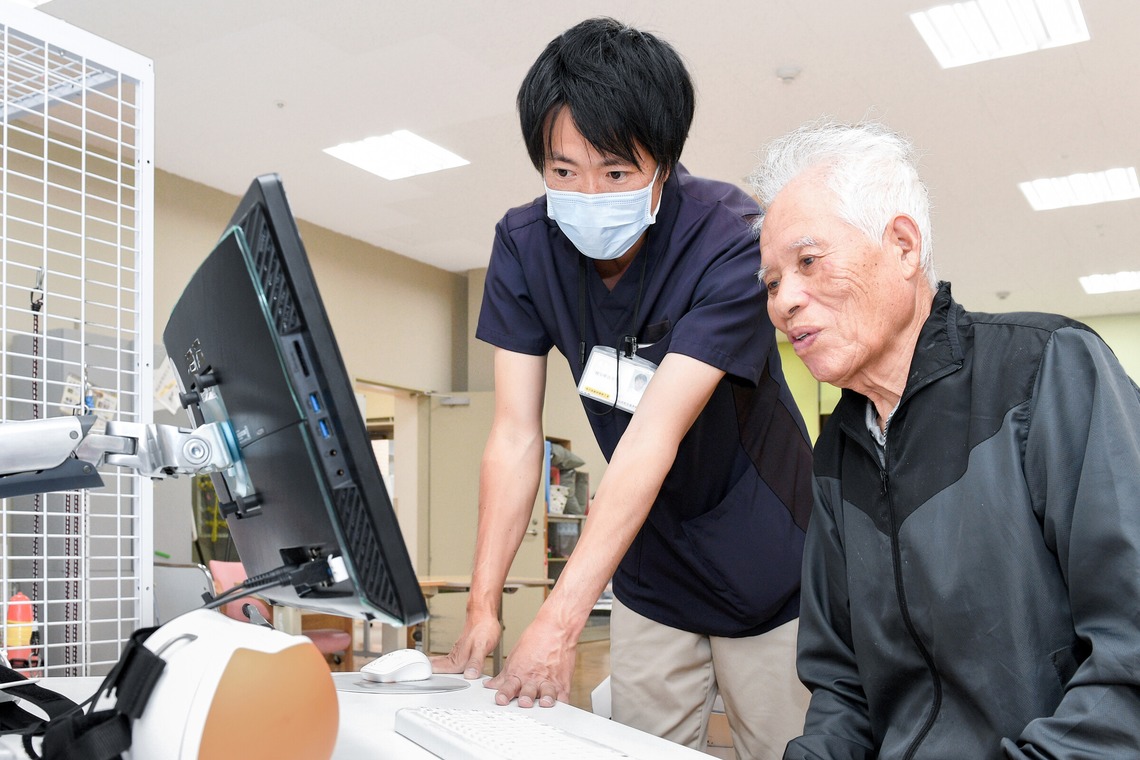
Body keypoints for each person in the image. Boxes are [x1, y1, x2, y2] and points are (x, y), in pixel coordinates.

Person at [431, 17, 814, 758]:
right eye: (562, 170)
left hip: (770, 566)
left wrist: (560, 621)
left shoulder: (730, 240)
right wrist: (485, 606)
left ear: (663, 164)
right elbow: (514, 435)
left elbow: (651, 438)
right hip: (647, 563)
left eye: (615, 172)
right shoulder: (523, 243)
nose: (586, 193)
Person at [750, 120, 1140, 759]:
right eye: (771, 281)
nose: (784, 301)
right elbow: (842, 689)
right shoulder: (837, 453)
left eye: (808, 261)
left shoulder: (1048, 373)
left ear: (902, 246)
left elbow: (1129, 657)